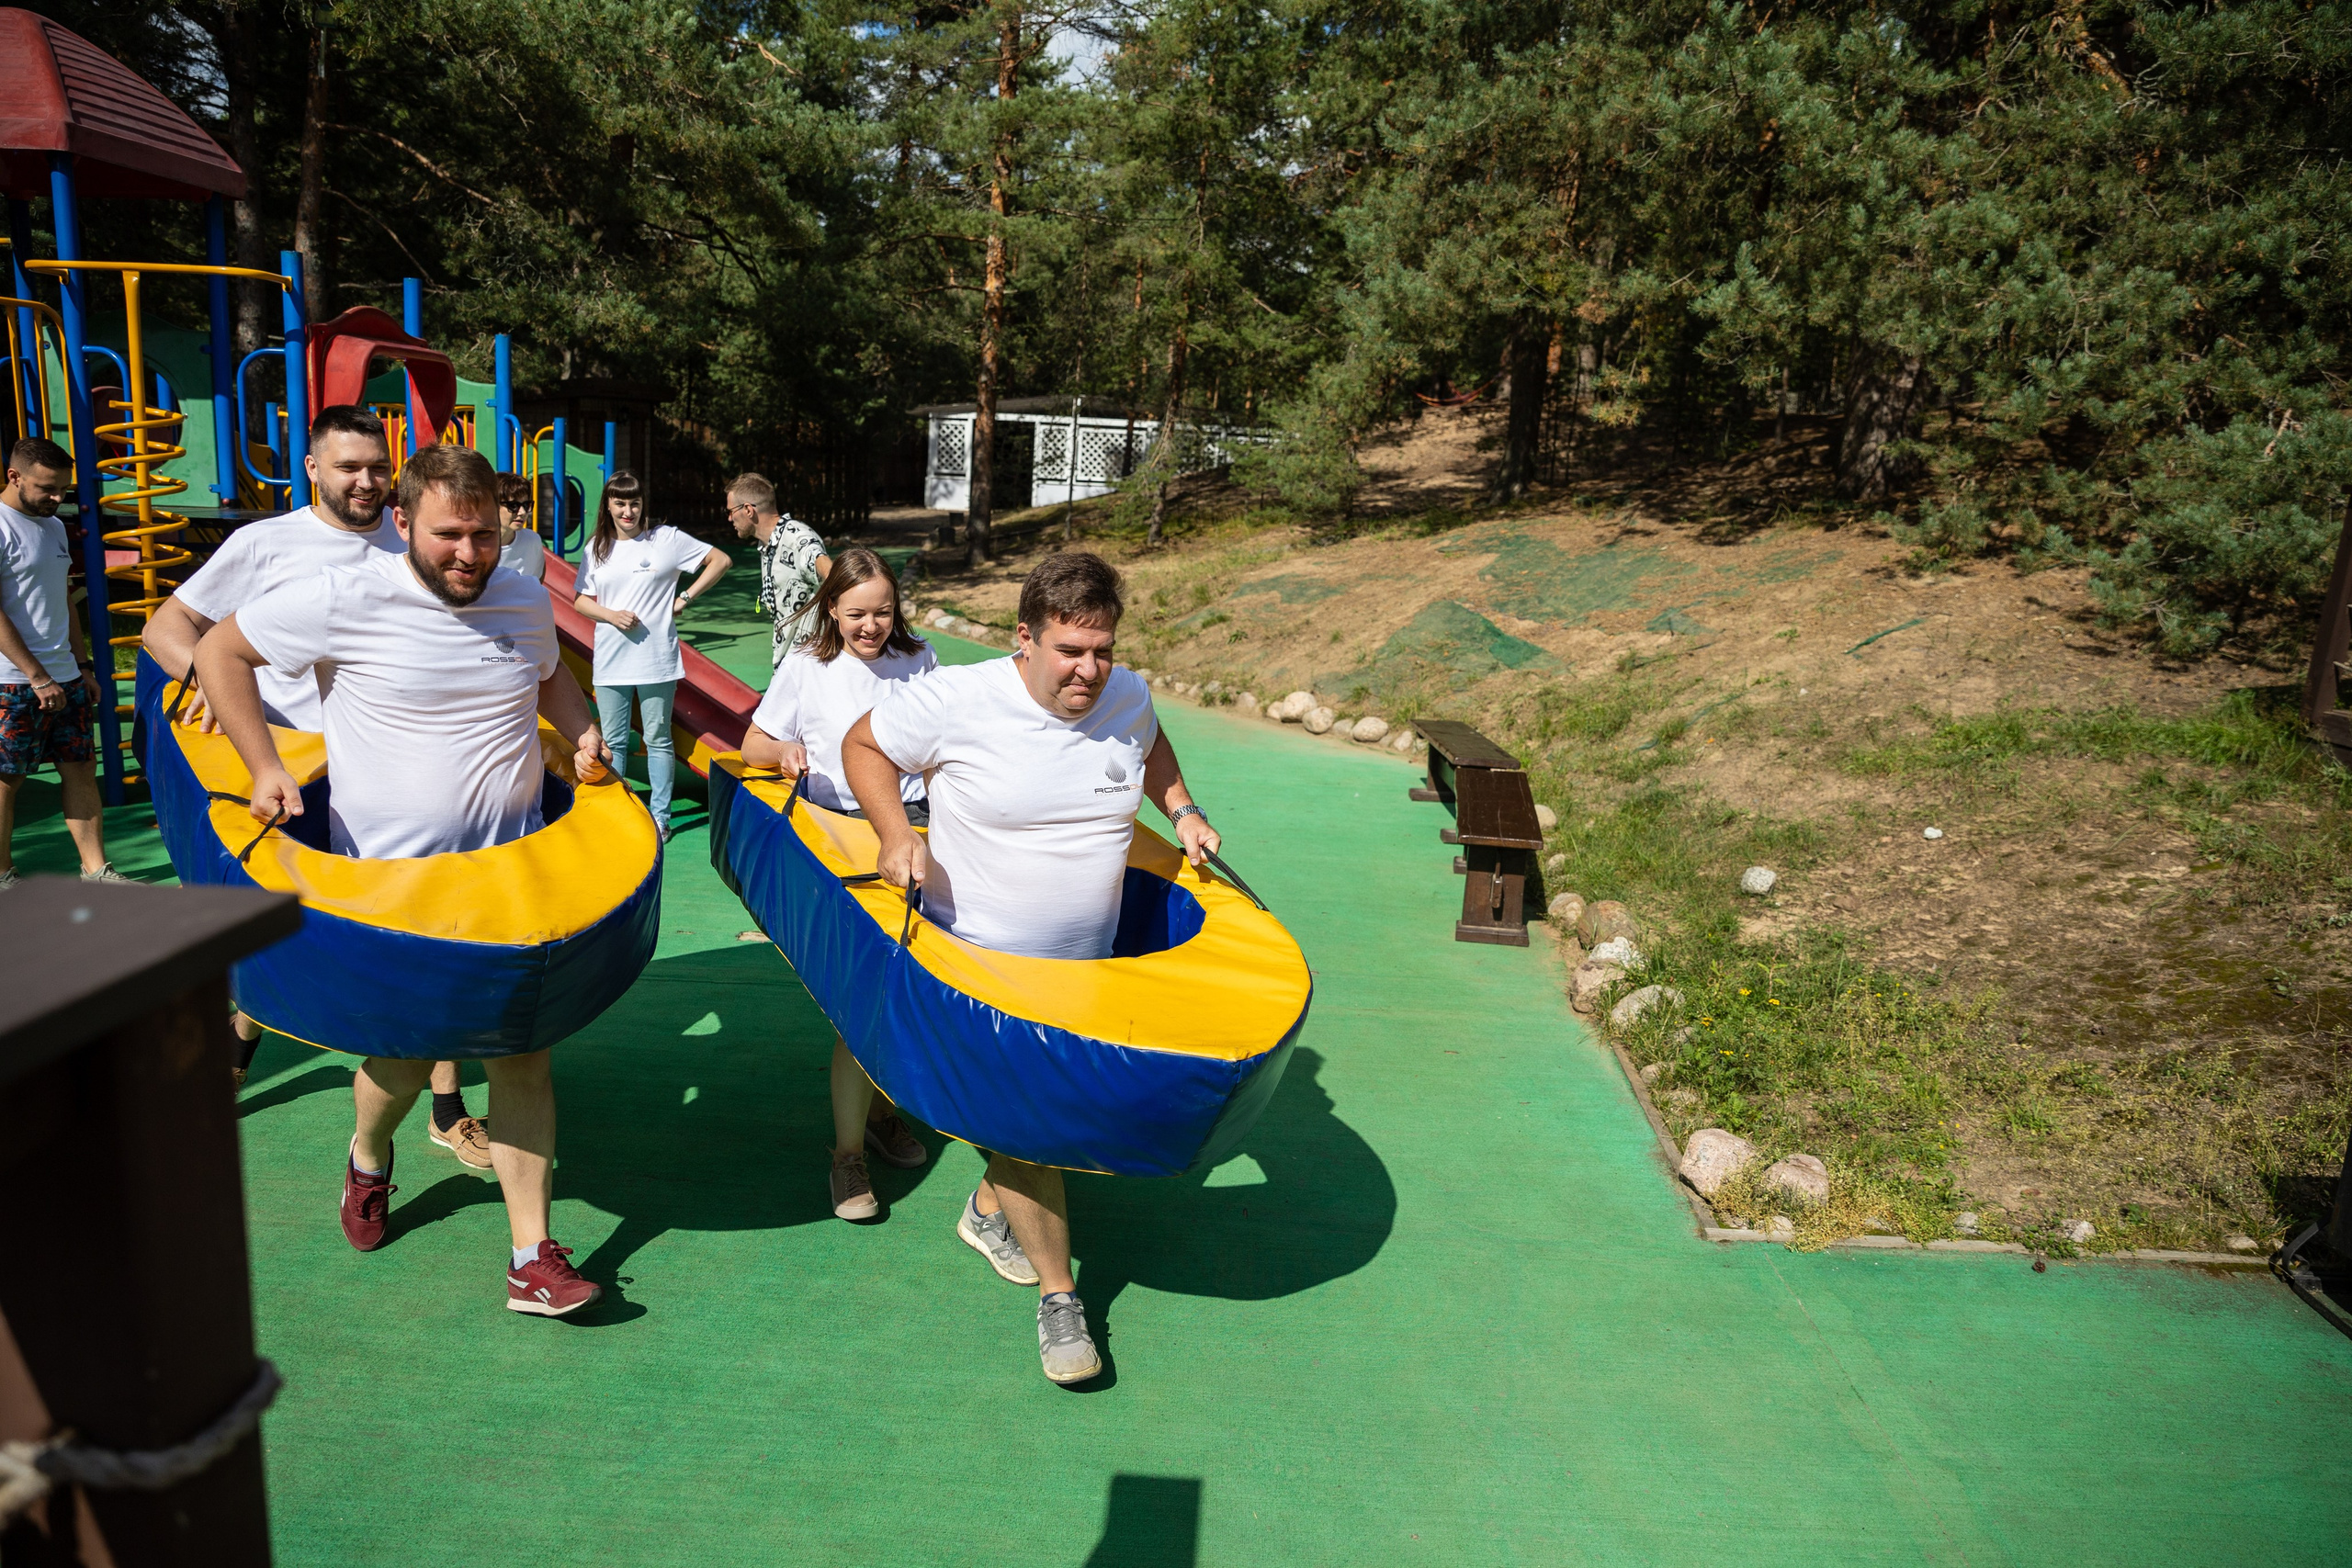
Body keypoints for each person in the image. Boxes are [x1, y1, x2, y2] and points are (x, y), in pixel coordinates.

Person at [192, 441, 615, 1317]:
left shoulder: (523, 597)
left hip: (511, 878)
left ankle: (532, 1256)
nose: (470, 553)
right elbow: (218, 655)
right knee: (406, 1060)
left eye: (485, 535)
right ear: (403, 524)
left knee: (523, 1055)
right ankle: (369, 1155)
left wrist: (580, 733)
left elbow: (552, 683)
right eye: (449, 534)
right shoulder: (345, 596)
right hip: (396, 891)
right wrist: (265, 763)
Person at [841, 550, 1221, 1384]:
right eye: (1070, 651)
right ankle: (1061, 1299)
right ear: (1024, 638)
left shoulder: (1124, 695)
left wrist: (1183, 810)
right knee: (1032, 1131)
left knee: (1057, 1121)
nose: (1090, 670)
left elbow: (1149, 745)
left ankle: (987, 1209)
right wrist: (894, 832)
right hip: (977, 968)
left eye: (1104, 650)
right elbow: (864, 746)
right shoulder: (959, 699)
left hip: (1086, 973)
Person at [144, 408, 491, 1151]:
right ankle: (232, 1055)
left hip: (396, 763)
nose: (365, 480)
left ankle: (444, 1105)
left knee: (443, 925)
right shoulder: (265, 544)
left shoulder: (417, 542)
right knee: (283, 933)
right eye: (348, 467)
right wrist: (203, 679)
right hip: (295, 766)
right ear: (311, 468)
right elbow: (167, 627)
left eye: (375, 466)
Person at [741, 547, 935, 1220]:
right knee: (861, 998)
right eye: (857, 613)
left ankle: (882, 1115)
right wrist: (785, 751)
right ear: (831, 609)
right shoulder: (808, 665)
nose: (871, 626)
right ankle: (847, 1153)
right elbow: (753, 743)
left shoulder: (919, 659)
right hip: (839, 836)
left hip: (915, 835)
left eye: (883, 612)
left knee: (909, 987)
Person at [0, 436, 128, 888]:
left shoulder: (52, 526)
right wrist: (37, 676)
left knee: (79, 770)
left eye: (63, 489)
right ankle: (2, 877)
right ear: (14, 476)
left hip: (66, 678)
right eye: (47, 488)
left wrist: (83, 666)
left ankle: (96, 871)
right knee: (6, 779)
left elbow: (63, 602)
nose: (58, 498)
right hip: (13, 683)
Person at [572, 471, 729, 839]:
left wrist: (684, 598)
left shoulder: (666, 539)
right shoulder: (597, 547)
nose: (628, 511)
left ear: (643, 504)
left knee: (657, 737)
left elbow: (720, 560)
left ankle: (660, 817)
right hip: (611, 662)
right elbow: (579, 600)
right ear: (608, 505)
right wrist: (610, 615)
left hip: (657, 659)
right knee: (613, 742)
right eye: (620, 503)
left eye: (634, 503)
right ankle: (619, 814)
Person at [726, 472, 830, 670]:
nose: (730, 518)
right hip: (789, 661)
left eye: (731, 511)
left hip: (811, 664)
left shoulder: (797, 538)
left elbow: (830, 571)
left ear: (748, 510)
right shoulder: (768, 544)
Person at [496, 471, 547, 581]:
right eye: (513, 506)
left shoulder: (532, 540)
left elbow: (536, 583)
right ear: (493, 506)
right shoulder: (476, 545)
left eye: (526, 505)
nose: (522, 512)